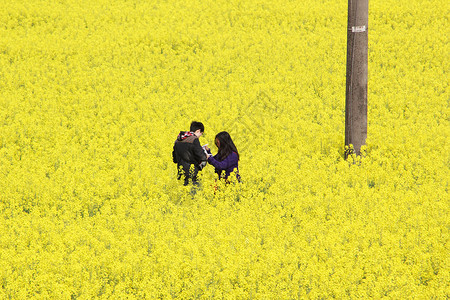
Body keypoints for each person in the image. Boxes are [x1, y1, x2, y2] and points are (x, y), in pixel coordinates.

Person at [172, 121, 207, 186]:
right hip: (192, 174)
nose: (200, 136)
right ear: (198, 131)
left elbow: (175, 159)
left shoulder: (178, 140)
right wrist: (206, 154)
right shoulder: (194, 139)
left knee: (183, 193)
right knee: (193, 193)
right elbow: (201, 157)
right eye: (201, 134)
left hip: (181, 173)